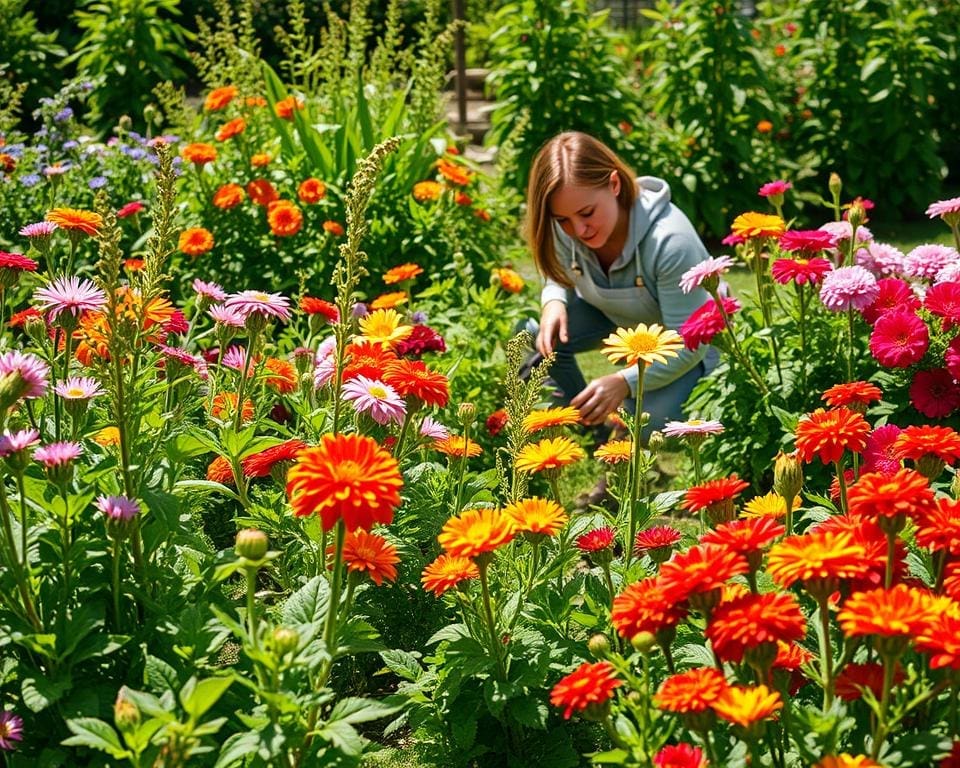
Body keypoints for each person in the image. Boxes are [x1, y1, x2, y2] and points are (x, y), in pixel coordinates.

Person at [522, 131, 717, 439]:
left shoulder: (670, 241)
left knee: (648, 421)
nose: (578, 230)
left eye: (587, 213)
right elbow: (555, 267)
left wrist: (624, 381)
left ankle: (626, 438)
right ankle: (586, 426)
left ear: (614, 184)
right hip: (618, 320)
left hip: (687, 347)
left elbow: (690, 341)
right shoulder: (568, 220)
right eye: (563, 220)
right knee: (534, 336)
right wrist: (554, 299)